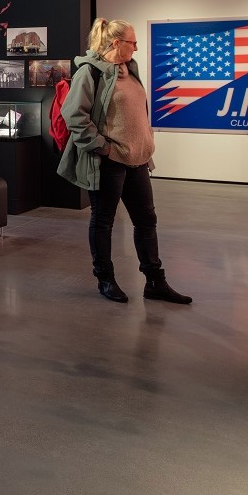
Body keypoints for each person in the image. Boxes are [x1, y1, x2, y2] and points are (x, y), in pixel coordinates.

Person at [57, 18, 191, 305]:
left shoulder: (130, 70)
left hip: (138, 161)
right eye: (132, 42)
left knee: (146, 221)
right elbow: (74, 116)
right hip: (109, 162)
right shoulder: (89, 73)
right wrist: (102, 147)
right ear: (116, 43)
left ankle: (155, 282)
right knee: (103, 222)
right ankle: (105, 279)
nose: (137, 47)